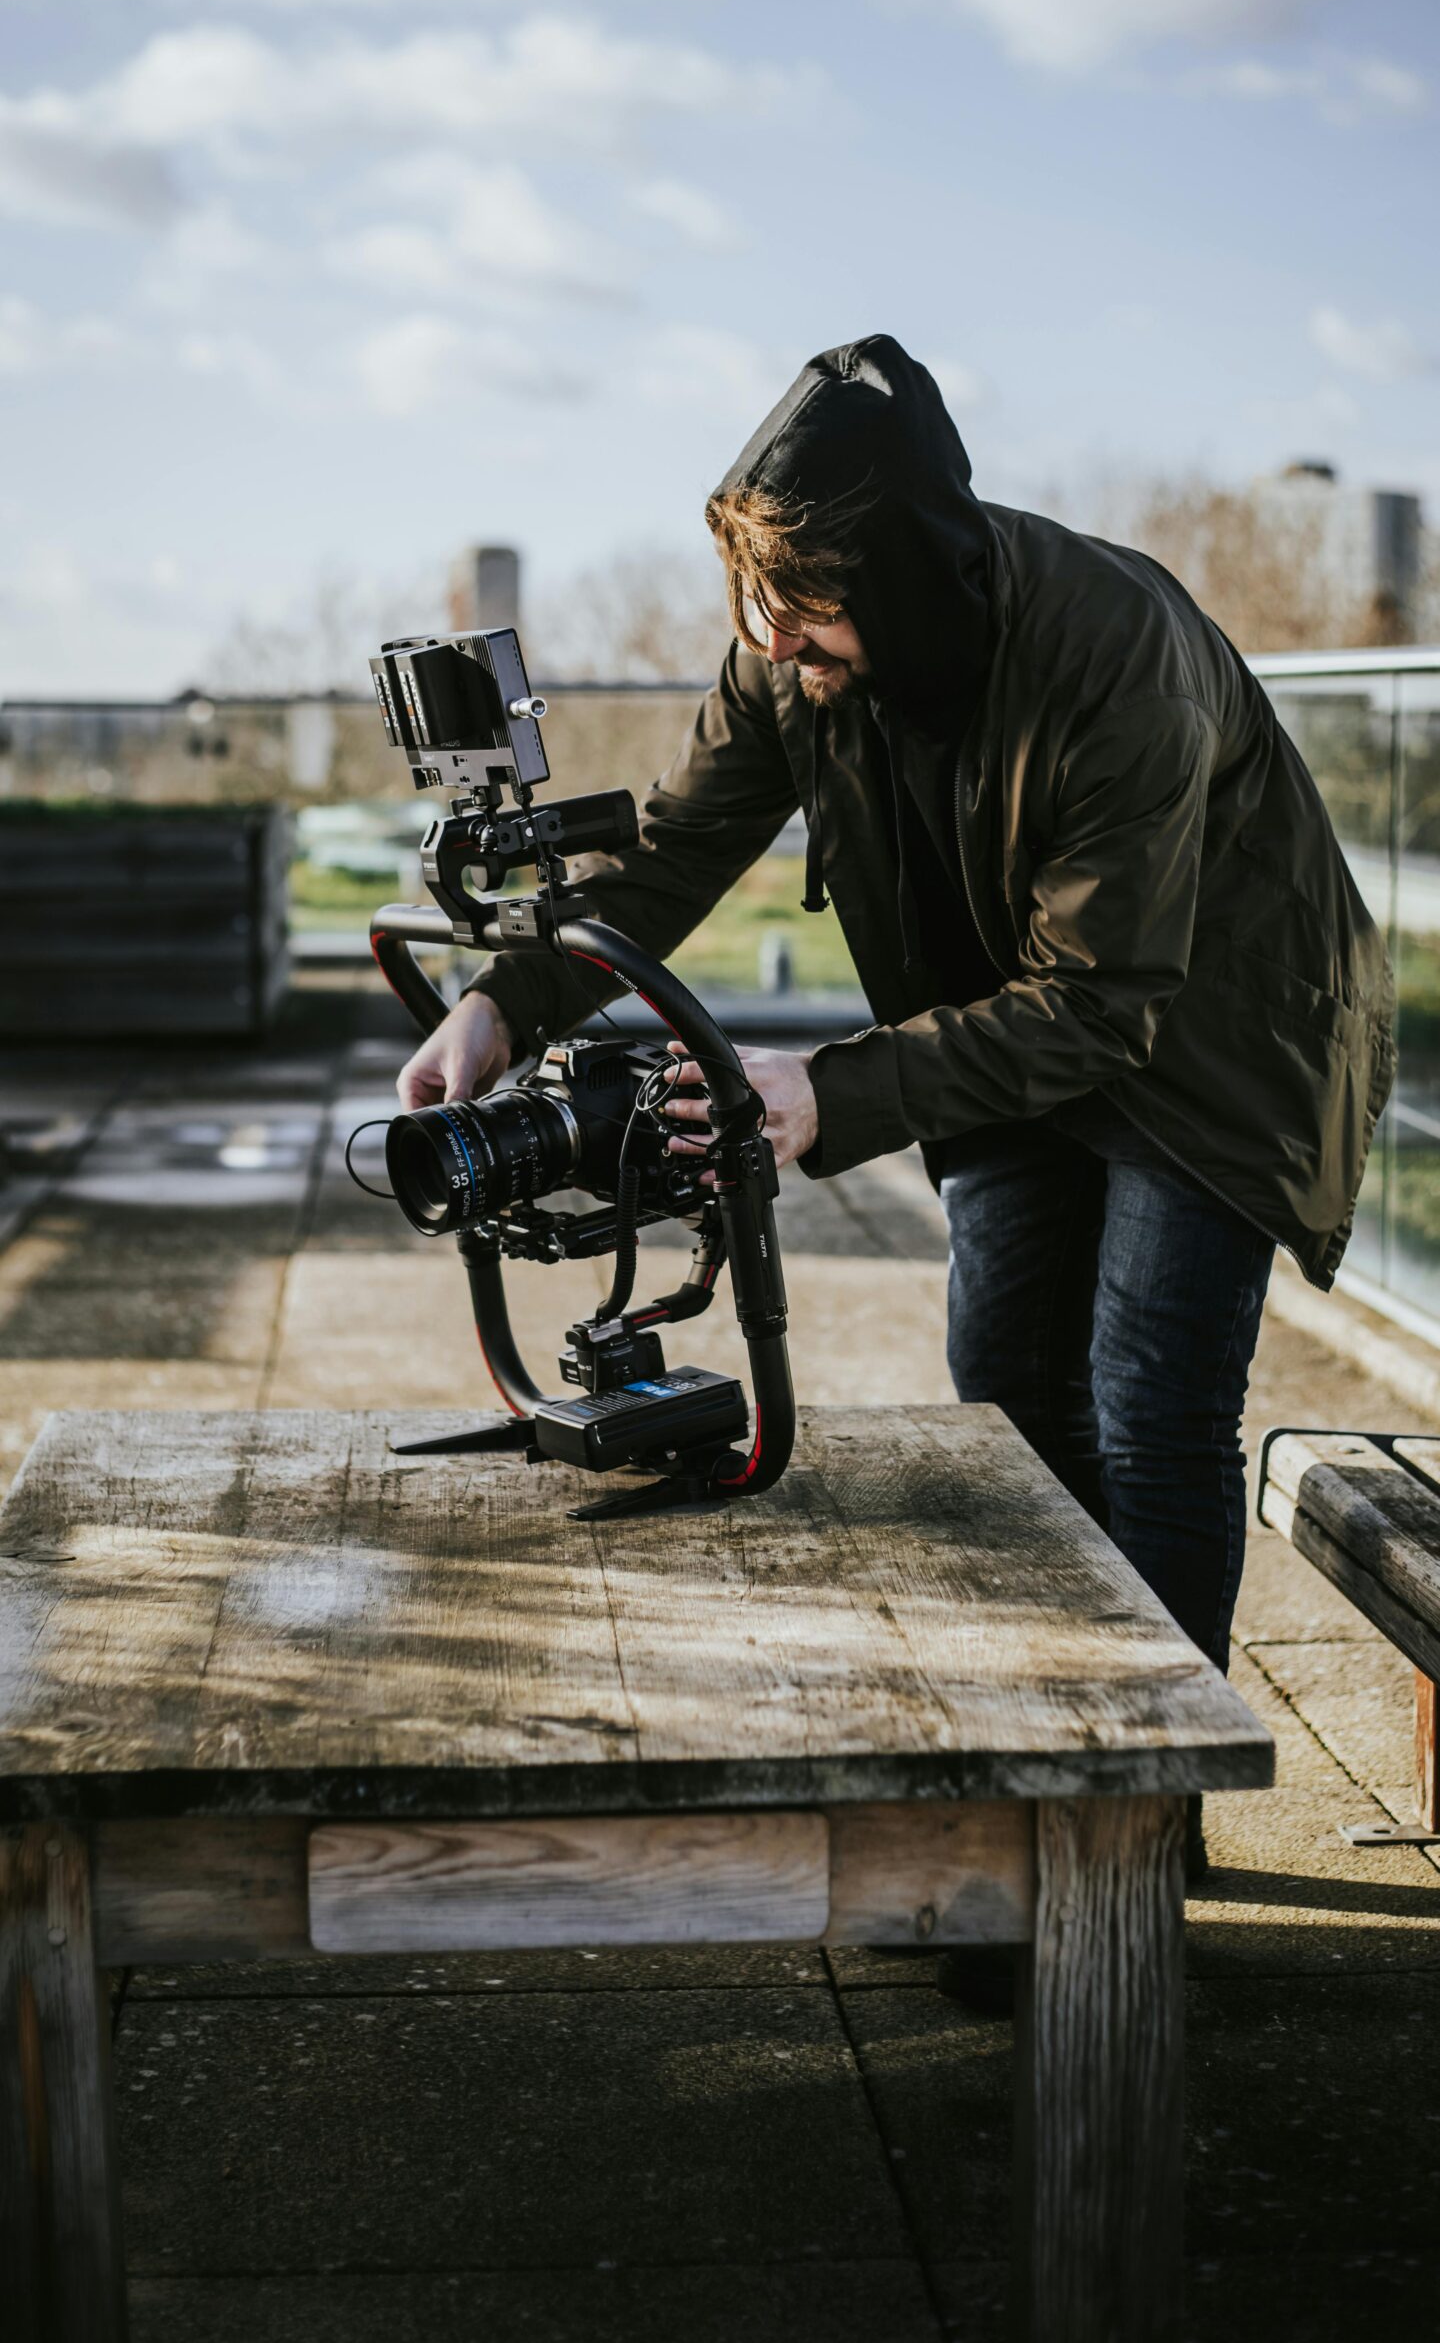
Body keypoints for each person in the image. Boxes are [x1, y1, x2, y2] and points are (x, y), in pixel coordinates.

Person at [399, 330, 1393, 1738]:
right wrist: (498, 1006)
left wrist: (831, 1091)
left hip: (1211, 1036)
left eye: (805, 608)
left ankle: (1155, 1784)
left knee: (1148, 1404)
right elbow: (670, 854)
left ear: (906, 581)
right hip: (1002, 1018)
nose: (773, 640)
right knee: (1005, 1383)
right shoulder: (788, 654)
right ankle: (1062, 1731)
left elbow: (1106, 997)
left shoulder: (1120, 653)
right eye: (756, 604)